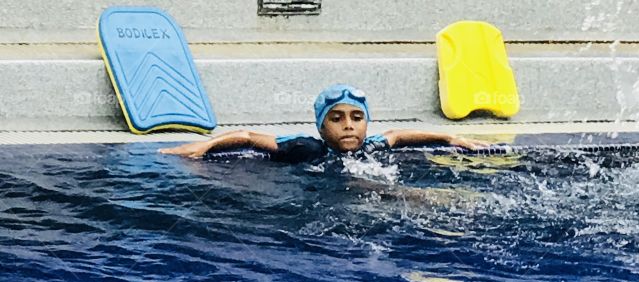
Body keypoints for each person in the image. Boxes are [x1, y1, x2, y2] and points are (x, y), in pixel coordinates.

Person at [161, 83, 486, 162]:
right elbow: (247, 136)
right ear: (321, 127)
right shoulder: (306, 147)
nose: (348, 126)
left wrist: (449, 137)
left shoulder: (370, 146)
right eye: (337, 118)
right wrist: (205, 145)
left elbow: (398, 135)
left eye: (357, 118)